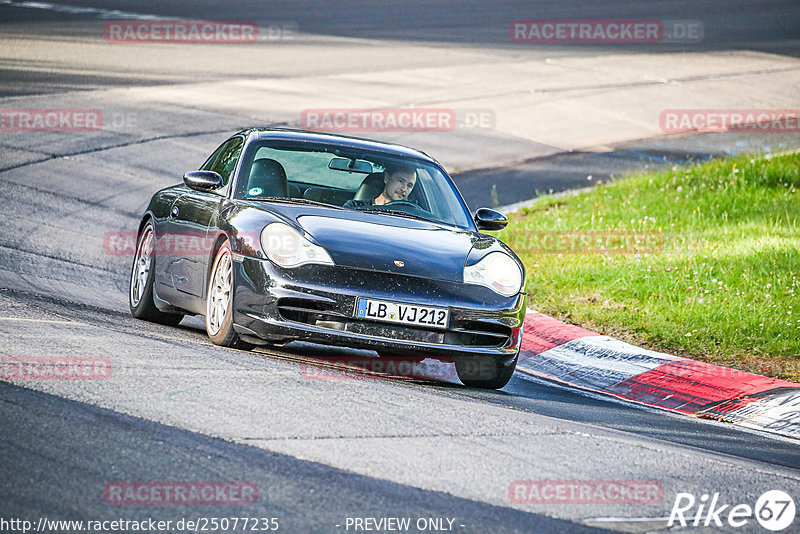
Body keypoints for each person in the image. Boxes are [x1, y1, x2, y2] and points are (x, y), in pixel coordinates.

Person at [343, 164, 417, 209]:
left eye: (409, 185)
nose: (404, 189)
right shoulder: (354, 207)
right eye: (400, 181)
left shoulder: (411, 216)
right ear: (387, 178)